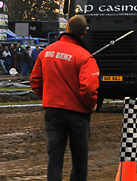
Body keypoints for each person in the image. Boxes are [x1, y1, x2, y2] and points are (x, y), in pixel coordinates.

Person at [30, 15, 100, 181]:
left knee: (54, 158)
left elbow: (35, 81)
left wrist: (48, 96)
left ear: (66, 29)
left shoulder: (47, 52)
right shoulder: (85, 57)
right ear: (84, 33)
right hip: (77, 114)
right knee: (79, 160)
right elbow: (89, 88)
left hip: (52, 111)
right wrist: (91, 105)